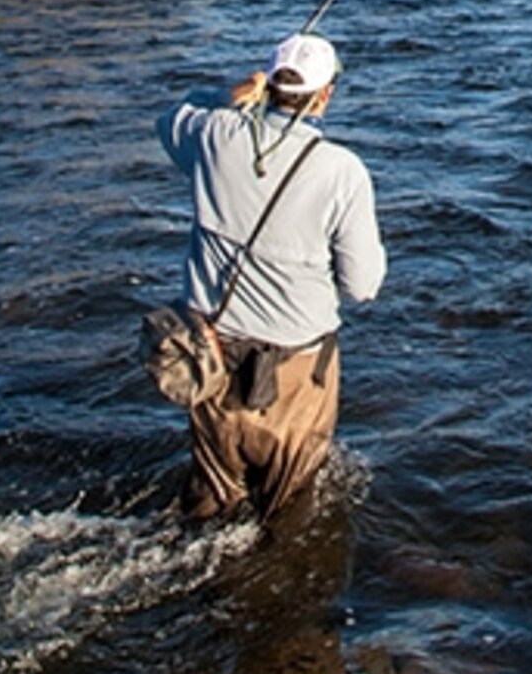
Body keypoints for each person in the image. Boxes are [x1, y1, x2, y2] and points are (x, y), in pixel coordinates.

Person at [156, 31, 386, 521]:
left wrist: (229, 95)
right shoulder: (343, 172)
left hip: (210, 360)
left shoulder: (215, 134)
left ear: (269, 87)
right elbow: (363, 286)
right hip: (297, 375)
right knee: (288, 518)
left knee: (209, 507)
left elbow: (170, 120)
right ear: (326, 95)